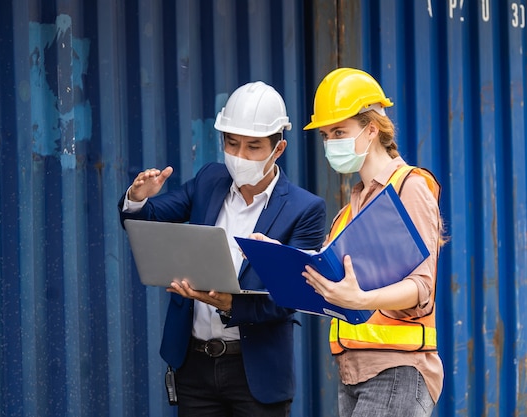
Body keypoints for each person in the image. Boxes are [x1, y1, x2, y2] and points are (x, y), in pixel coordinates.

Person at [118, 81, 327, 416]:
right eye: (232, 143)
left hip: (256, 372)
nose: (239, 156)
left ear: (279, 148)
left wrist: (231, 305)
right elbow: (148, 219)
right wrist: (139, 197)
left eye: (253, 147)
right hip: (195, 368)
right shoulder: (209, 180)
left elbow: (293, 297)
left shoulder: (305, 209)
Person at [302, 67, 444, 416]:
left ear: (371, 128)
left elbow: (421, 287)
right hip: (354, 373)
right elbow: (330, 273)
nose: (330, 143)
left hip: (397, 370)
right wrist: (275, 253)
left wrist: (362, 299)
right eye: (325, 135)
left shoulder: (408, 187)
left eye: (339, 131)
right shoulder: (349, 210)